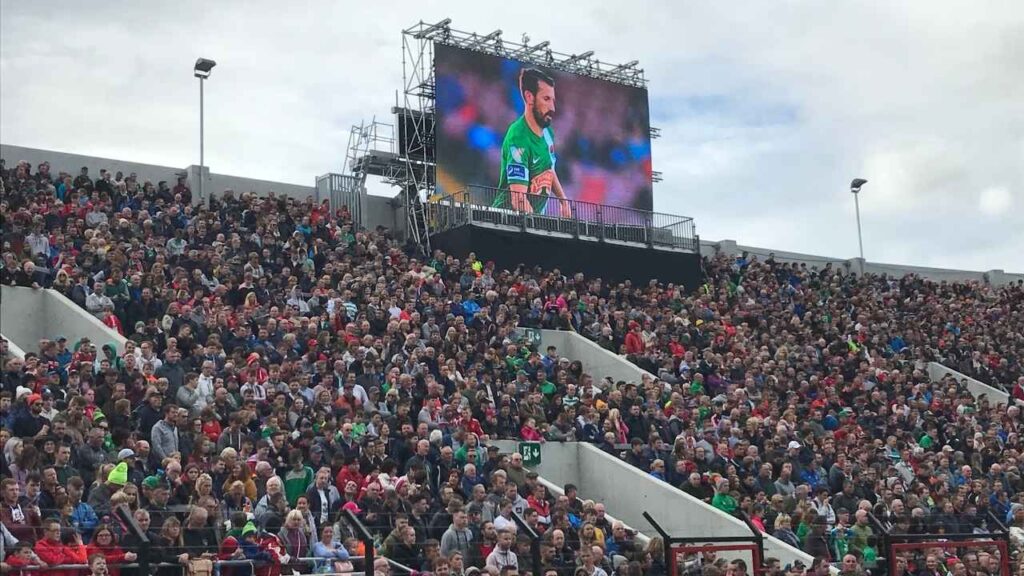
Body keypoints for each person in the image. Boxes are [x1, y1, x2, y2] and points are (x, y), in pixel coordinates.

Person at [494, 67, 570, 217]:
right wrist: (538, 228)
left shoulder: (548, 132)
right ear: (529, 97)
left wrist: (563, 200)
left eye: (553, 100)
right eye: (546, 99)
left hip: (531, 222)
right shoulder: (519, 136)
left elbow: (548, 168)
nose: (553, 108)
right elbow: (519, 201)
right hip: (506, 222)